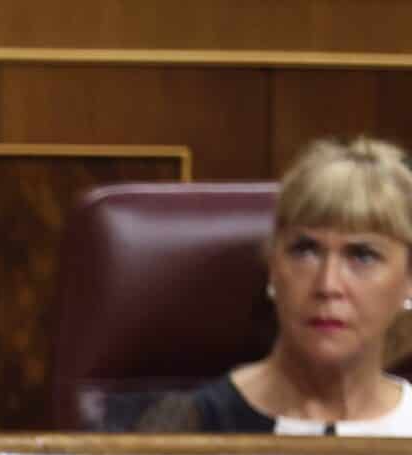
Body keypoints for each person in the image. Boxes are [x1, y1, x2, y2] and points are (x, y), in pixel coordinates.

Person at [140, 137, 412, 435]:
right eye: (305, 250)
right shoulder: (188, 426)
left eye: (362, 255)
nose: (328, 284)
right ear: (273, 267)